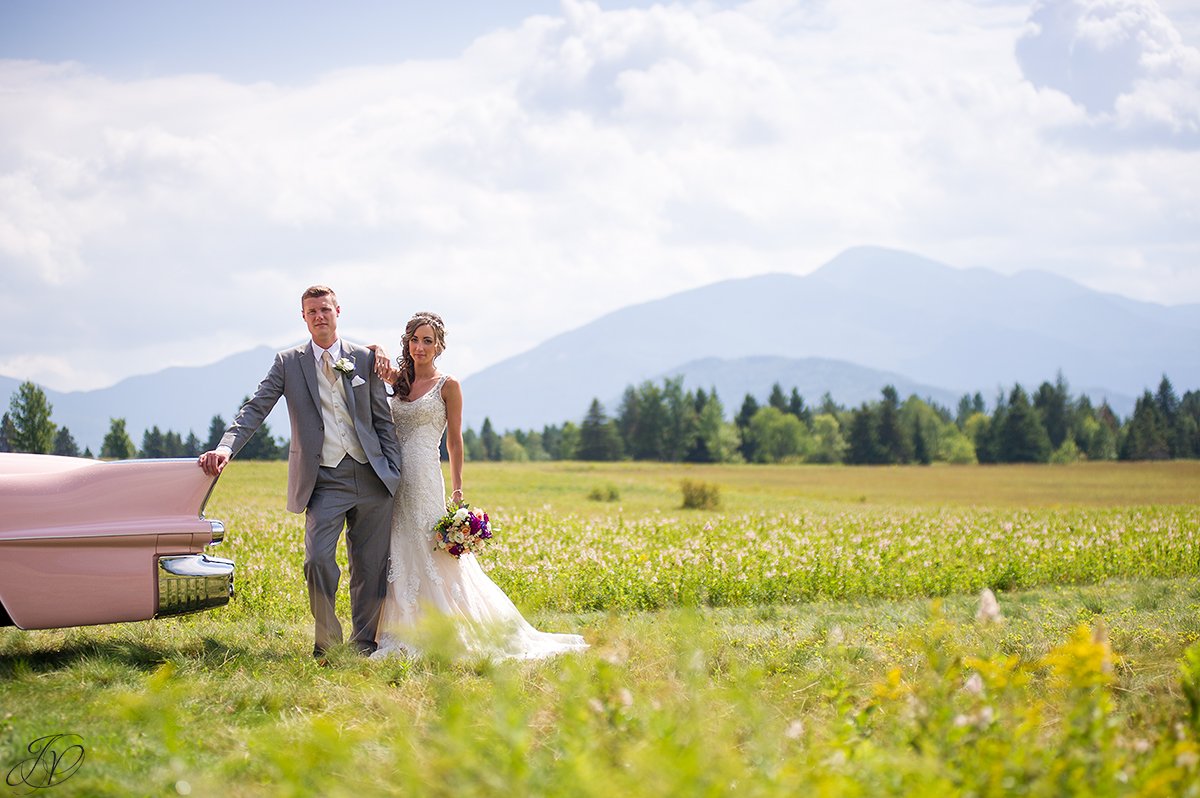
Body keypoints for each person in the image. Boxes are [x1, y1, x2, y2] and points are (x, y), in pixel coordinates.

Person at [198, 286, 402, 659]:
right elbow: (255, 408)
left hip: (372, 476)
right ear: (303, 317)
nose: (320, 316)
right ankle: (327, 644)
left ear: (339, 311)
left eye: (326, 309)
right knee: (317, 560)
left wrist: (393, 470)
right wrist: (226, 446)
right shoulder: (288, 362)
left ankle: (363, 644)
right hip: (323, 480)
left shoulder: (364, 357)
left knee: (370, 566)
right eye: (312, 312)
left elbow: (382, 418)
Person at [371, 311, 588, 660]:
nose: (420, 347)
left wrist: (458, 492)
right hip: (394, 477)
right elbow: (367, 357)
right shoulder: (399, 383)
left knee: (432, 549)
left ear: (439, 346)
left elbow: (454, 442)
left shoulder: (448, 385)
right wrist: (377, 348)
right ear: (406, 343)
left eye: (428, 340)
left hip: (426, 476)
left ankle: (451, 627)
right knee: (400, 546)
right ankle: (403, 626)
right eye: (414, 339)